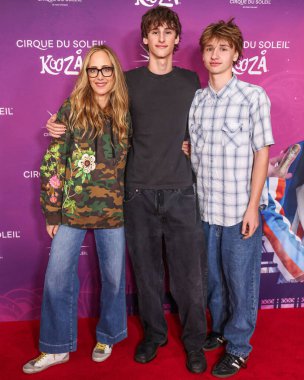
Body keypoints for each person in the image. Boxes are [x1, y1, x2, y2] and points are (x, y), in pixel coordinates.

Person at [46, 6, 207, 375]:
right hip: (136, 194)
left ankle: (195, 341)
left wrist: (191, 145)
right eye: (155, 32)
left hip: (181, 190)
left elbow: (201, 129)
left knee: (188, 276)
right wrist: (61, 125)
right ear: (145, 40)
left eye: (169, 31)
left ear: (177, 39)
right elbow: (99, 116)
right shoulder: (127, 82)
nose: (162, 38)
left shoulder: (191, 81)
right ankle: (154, 334)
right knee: (146, 274)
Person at [23, 45, 130, 374]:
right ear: (86, 74)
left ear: (115, 72)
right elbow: (54, 162)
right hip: (71, 209)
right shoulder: (70, 109)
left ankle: (108, 335)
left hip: (114, 212)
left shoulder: (126, 111)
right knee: (57, 277)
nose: (100, 76)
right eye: (93, 70)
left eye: (106, 69)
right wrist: (52, 211)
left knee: (113, 279)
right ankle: (56, 347)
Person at [189, 19, 274, 378]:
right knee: (213, 280)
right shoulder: (197, 99)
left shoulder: (253, 96)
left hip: (241, 210)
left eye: (223, 48)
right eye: (209, 48)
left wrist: (253, 206)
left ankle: (239, 347)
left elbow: (262, 153)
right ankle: (221, 329)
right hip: (206, 209)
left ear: (236, 54)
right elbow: (194, 149)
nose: (215, 54)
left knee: (241, 280)